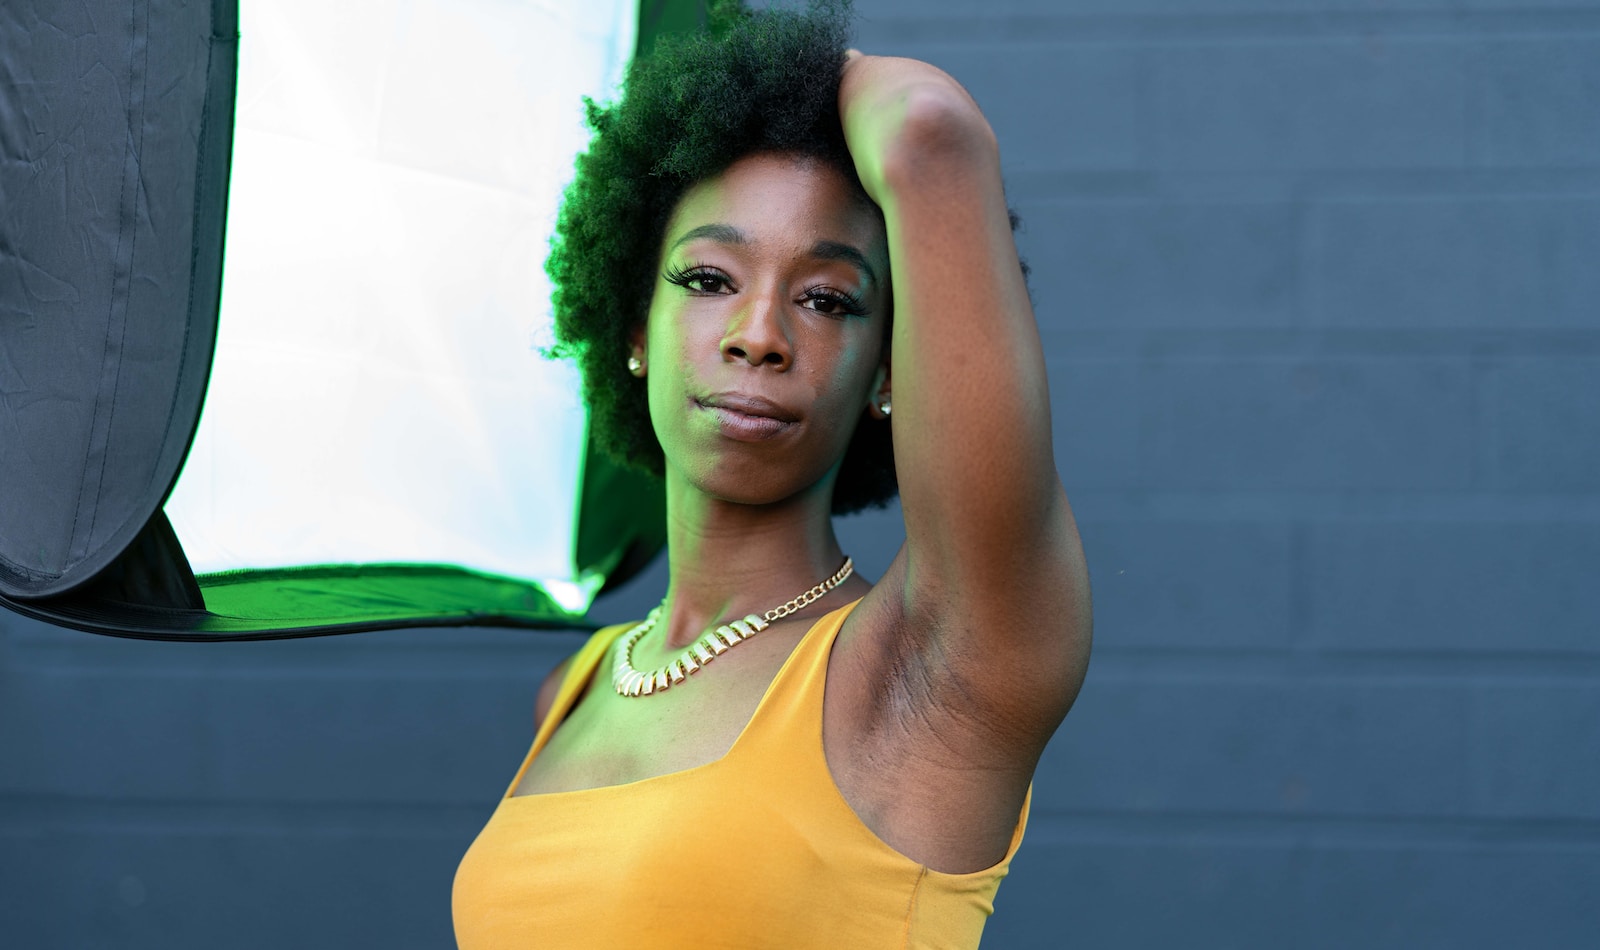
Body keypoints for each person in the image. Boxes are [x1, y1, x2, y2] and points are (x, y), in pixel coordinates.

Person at [452, 2, 1090, 946]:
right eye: (709, 281)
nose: (758, 336)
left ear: (888, 373)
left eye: (827, 299)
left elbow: (928, 130)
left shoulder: (933, 670)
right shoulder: (576, 690)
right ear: (635, 330)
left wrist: (782, 71)